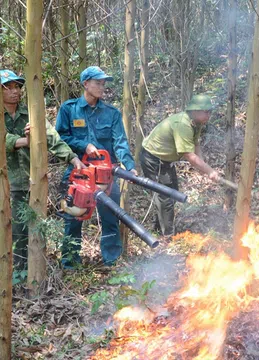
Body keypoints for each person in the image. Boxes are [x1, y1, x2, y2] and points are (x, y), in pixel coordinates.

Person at [1, 69, 84, 271]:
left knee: (35, 229)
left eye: (17, 87)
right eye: (8, 87)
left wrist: (72, 158)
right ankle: (15, 274)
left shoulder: (30, 114)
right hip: (6, 183)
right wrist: (25, 140)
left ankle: (33, 271)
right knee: (12, 232)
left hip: (32, 183)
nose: (15, 91)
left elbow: (52, 137)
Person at [55, 66, 137, 268]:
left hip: (106, 176)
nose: (102, 87)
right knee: (73, 217)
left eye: (103, 83)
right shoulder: (69, 109)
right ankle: (71, 263)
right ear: (86, 84)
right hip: (78, 173)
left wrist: (129, 165)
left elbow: (120, 142)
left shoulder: (112, 113)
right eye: (98, 83)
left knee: (110, 217)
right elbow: (60, 137)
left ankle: (112, 261)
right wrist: (84, 146)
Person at [140, 94, 220, 238]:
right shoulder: (183, 124)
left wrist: (202, 167)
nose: (209, 115)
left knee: (173, 192)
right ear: (194, 111)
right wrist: (210, 171)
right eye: (206, 112)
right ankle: (167, 236)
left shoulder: (197, 123)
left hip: (166, 161)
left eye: (210, 112)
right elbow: (189, 155)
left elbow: (195, 144)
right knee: (165, 196)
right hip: (153, 159)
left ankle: (159, 228)